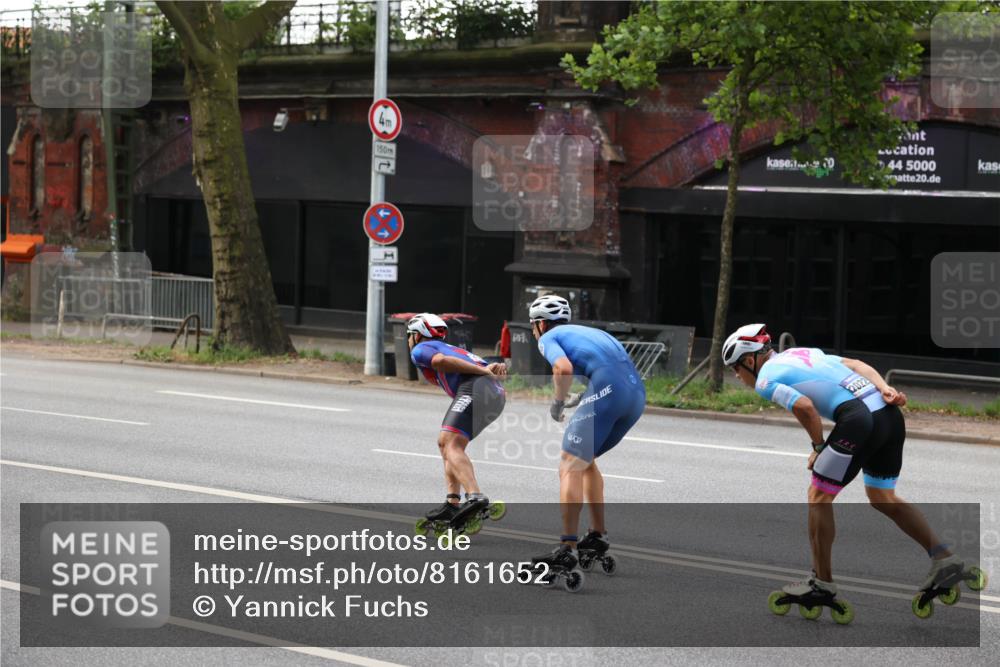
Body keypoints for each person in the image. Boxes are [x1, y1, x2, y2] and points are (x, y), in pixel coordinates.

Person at [723, 323, 969, 607]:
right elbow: (855, 364)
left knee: (818, 496)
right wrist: (885, 388)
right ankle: (944, 558)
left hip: (860, 420)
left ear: (750, 360)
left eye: (736, 368)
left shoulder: (766, 379)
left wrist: (818, 447)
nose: (737, 376)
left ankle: (821, 583)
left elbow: (805, 407)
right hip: (889, 415)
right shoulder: (802, 353)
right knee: (882, 496)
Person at [527, 295, 646, 574]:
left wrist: (558, 402)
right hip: (636, 396)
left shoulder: (550, 337)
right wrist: (584, 396)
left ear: (541, 324)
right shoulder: (591, 333)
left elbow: (563, 368)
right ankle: (597, 535)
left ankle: (567, 548)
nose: (534, 332)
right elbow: (614, 371)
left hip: (609, 392)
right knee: (585, 460)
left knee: (570, 463)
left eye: (533, 326)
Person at [407, 313, 507, 530]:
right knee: (447, 444)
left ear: (418, 335)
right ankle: (452, 502)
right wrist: (491, 369)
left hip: (475, 389)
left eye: (409, 335)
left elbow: (440, 362)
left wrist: (483, 370)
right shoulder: (452, 348)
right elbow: (491, 369)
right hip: (496, 396)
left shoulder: (421, 349)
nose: (408, 340)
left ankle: (475, 496)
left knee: (449, 443)